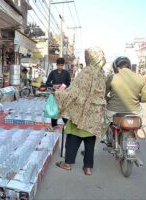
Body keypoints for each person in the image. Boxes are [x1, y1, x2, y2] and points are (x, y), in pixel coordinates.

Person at [55, 47, 107, 175]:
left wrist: (59, 93)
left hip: (80, 112)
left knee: (73, 137)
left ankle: (67, 163)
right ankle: (88, 168)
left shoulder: (86, 72)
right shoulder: (101, 74)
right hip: (95, 114)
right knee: (90, 141)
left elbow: (74, 92)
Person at [104, 56, 146, 131]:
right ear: (129, 66)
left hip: (113, 112)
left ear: (117, 68)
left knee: (104, 124)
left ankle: (106, 137)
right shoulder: (140, 78)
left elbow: (103, 94)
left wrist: (109, 99)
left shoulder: (112, 77)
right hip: (135, 113)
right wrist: (137, 98)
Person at [46, 57, 71, 128]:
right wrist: (53, 85)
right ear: (56, 65)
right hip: (55, 94)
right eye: (59, 65)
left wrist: (63, 86)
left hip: (63, 95)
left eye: (61, 65)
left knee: (63, 110)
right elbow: (47, 83)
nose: (60, 67)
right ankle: (54, 126)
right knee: (54, 110)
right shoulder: (53, 73)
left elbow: (69, 84)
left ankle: (66, 126)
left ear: (63, 65)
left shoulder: (66, 73)